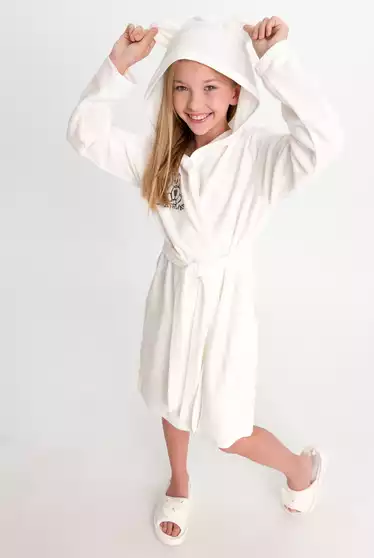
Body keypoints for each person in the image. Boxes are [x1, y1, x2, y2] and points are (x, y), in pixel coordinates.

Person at [67, 15, 343, 546]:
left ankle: (300, 468)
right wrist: (118, 66)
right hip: (174, 293)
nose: (195, 103)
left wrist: (276, 62)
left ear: (236, 92)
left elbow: (323, 140)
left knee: (229, 428)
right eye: (182, 87)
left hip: (224, 303)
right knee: (169, 396)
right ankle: (179, 481)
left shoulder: (259, 156)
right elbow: (85, 133)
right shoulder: (159, 154)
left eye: (211, 87)